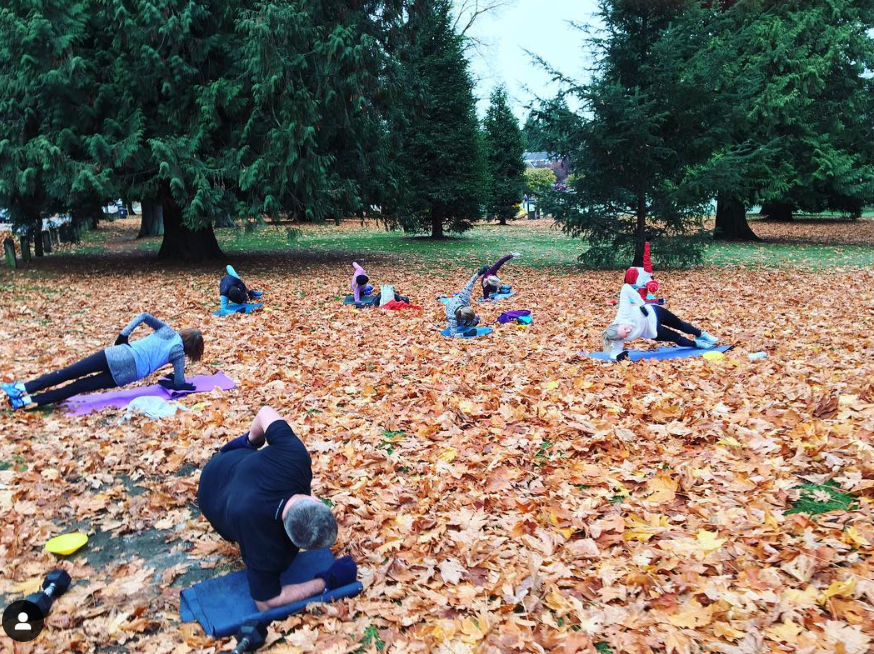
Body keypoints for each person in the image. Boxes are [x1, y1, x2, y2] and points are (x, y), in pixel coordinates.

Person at [197, 406, 357, 610]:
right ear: (290, 539)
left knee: (250, 465)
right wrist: (327, 581)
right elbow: (266, 602)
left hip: (226, 465)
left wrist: (252, 440)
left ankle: (245, 447)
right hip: (211, 499)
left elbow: (264, 412)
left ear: (316, 501)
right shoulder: (268, 549)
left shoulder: (294, 457)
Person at [1, 314, 203, 409]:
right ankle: (27, 401)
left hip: (119, 353)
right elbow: (178, 383)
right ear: (192, 350)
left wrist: (124, 335)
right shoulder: (178, 354)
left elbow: (143, 315)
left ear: (184, 333)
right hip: (128, 373)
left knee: (68, 372)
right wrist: (182, 383)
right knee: (77, 387)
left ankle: (21, 387)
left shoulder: (168, 331)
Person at [602, 283, 718, 360]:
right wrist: (619, 356)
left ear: (619, 323)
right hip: (654, 331)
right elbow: (614, 353)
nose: (629, 330)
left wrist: (641, 303)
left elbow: (625, 288)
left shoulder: (623, 314)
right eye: (626, 334)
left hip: (654, 312)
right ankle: (697, 344)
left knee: (679, 324)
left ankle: (702, 335)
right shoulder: (618, 338)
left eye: (625, 328)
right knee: (676, 337)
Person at [445, 266, 489, 336]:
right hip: (449, 308)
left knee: (476, 320)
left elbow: (471, 282)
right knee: (464, 325)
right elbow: (452, 335)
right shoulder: (452, 318)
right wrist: (465, 334)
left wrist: (480, 272)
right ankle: (466, 323)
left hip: (457, 301)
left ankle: (470, 321)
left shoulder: (464, 298)